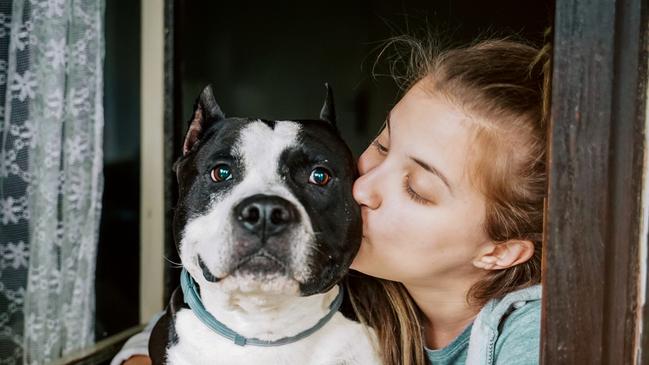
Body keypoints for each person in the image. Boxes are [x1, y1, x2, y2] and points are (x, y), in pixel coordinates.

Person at [114, 36, 549, 365]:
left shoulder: (534, 336)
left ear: (500, 249)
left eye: (416, 188)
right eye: (381, 145)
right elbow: (193, 320)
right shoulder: (367, 280)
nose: (361, 188)